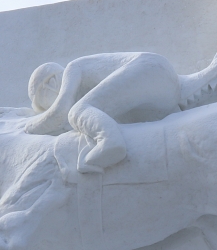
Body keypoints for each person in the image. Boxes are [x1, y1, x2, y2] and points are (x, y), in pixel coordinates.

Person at [25, 52, 182, 172]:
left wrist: (28, 127)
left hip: (150, 68)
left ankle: (110, 141)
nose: (51, 97)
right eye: (44, 100)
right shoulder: (100, 101)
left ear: (52, 80)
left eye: (46, 93)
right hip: (159, 91)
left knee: (77, 111)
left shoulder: (73, 68)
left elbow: (60, 112)